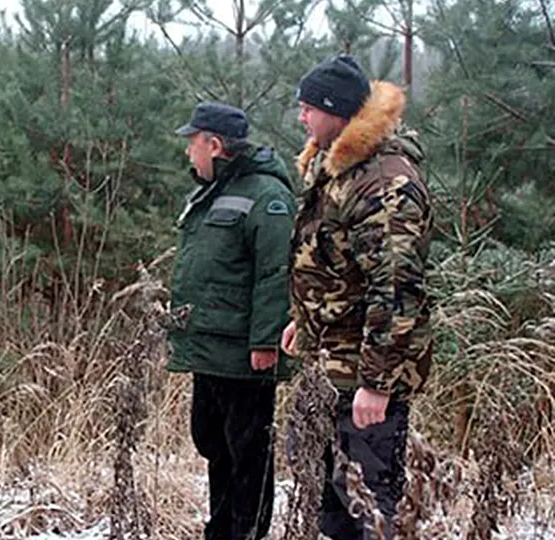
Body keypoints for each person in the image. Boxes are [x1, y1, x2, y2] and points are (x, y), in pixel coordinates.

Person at [281, 54, 433, 539]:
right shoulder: (339, 170)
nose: (302, 117)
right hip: (331, 367)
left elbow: (397, 289)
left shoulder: (385, 181)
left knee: (369, 510)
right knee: (333, 508)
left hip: (363, 380)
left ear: (339, 111)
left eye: (309, 108)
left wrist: (378, 383)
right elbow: (330, 264)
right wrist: (303, 322)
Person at [166, 102, 297, 540]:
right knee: (212, 442)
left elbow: (276, 272)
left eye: (193, 144)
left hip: (245, 353)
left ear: (215, 144)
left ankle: (248, 532)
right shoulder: (211, 192)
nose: (189, 154)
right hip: (208, 348)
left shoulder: (267, 195)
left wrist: (265, 342)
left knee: (249, 454)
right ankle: (220, 530)